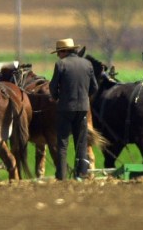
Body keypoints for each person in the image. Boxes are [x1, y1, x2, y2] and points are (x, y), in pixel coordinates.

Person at [49, 38, 98, 180]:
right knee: (81, 143)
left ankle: (62, 176)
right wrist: (84, 97)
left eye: (59, 52)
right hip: (83, 109)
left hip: (65, 109)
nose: (58, 55)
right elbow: (94, 87)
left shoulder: (61, 65)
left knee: (63, 144)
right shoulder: (87, 64)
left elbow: (53, 87)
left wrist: (58, 97)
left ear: (64, 51)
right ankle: (81, 174)